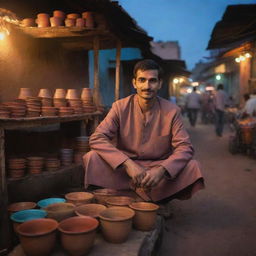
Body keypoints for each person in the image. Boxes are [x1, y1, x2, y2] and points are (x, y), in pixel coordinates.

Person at [83, 59, 204, 206]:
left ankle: (139, 196)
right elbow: (97, 138)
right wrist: (127, 164)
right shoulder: (120, 107)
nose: (147, 86)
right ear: (135, 83)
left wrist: (161, 170)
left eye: (152, 81)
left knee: (192, 167)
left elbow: (185, 147)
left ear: (159, 84)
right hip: (126, 170)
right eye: (142, 80)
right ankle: (147, 197)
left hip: (157, 170)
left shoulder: (172, 111)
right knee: (92, 157)